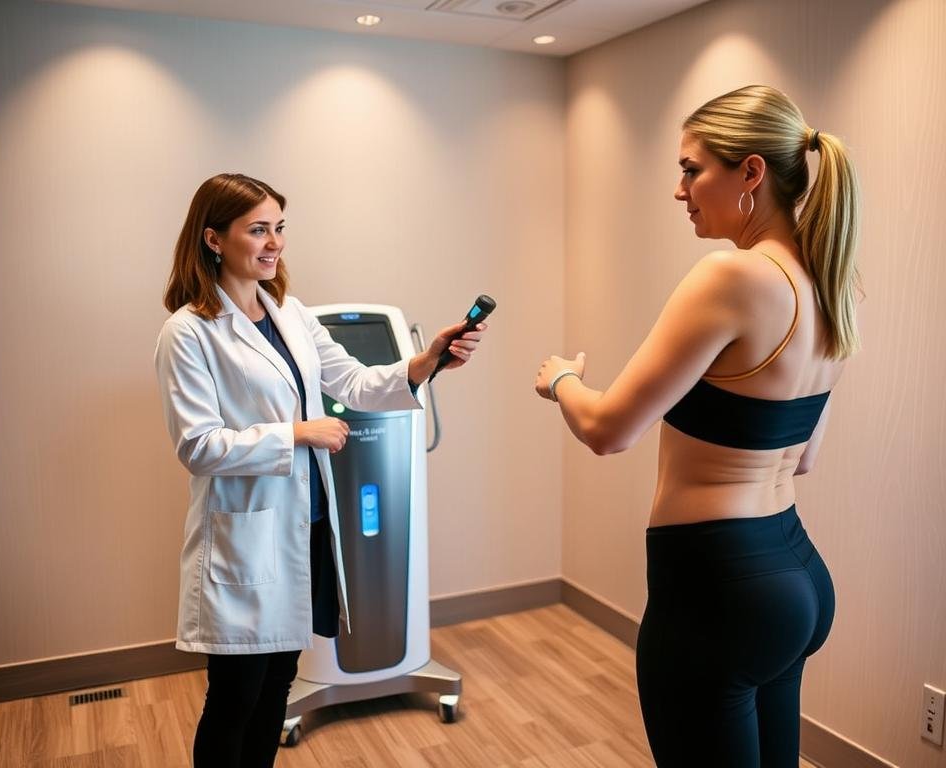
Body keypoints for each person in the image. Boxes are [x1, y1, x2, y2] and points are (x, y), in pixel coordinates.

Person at [534, 85, 859, 766]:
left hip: (718, 587)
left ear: (751, 172)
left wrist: (562, 379)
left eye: (691, 169)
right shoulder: (828, 280)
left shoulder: (731, 277)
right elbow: (804, 456)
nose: (679, 190)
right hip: (795, 573)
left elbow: (608, 429)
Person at [154, 173, 487, 768]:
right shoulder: (188, 331)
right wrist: (297, 433)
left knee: (277, 687)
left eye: (279, 228)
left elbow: (353, 381)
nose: (275, 243)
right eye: (258, 230)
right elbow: (199, 446)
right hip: (243, 539)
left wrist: (426, 361)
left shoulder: (290, 313)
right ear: (213, 238)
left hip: (304, 529)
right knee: (235, 697)